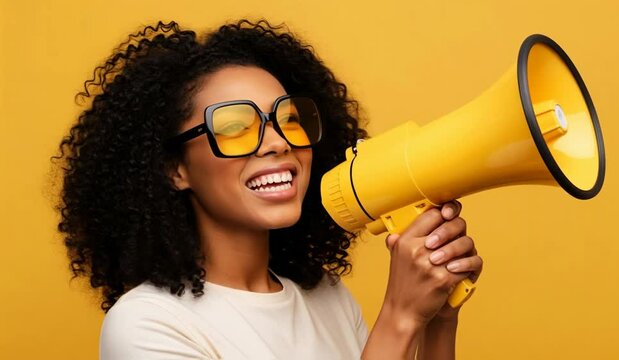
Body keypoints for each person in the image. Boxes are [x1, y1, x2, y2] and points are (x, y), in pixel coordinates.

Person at [55, 19, 483, 359]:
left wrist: (437, 322)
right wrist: (399, 317)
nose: (279, 141)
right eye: (236, 127)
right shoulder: (147, 324)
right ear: (174, 169)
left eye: (289, 118)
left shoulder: (327, 297)